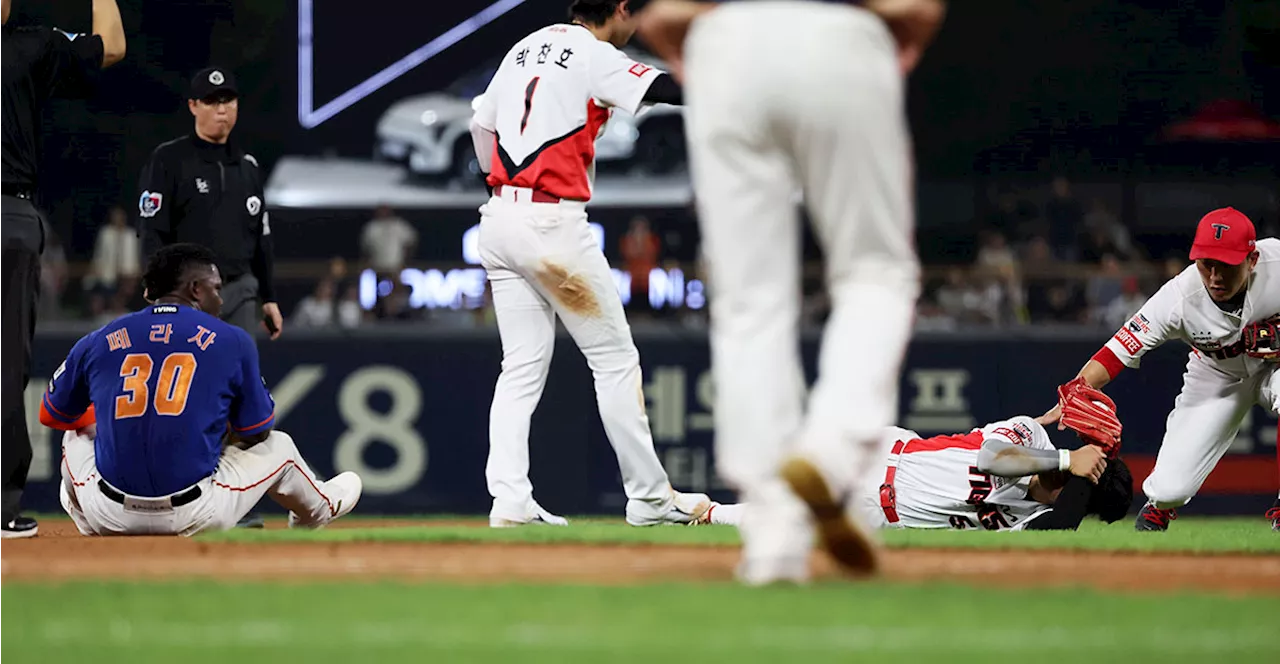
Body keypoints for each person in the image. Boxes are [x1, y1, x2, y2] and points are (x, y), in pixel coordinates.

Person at [636, 0, 946, 583]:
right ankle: (828, 458)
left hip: (725, 44)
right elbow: (916, 8)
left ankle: (773, 537)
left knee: (747, 299)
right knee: (874, 273)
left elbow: (661, 17)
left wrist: (701, 48)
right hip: (841, 36)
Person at [469, 0, 705, 528]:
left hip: (499, 218)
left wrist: (506, 183)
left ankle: (508, 499)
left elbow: (481, 127)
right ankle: (648, 498)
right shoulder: (591, 52)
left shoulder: (524, 46)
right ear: (619, 8)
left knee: (521, 368)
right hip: (552, 226)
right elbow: (664, 89)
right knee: (615, 362)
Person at [39, 244, 362, 536]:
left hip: (107, 513)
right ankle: (318, 510)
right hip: (195, 513)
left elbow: (51, 413)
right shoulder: (230, 340)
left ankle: (88, 526)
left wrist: (112, 414)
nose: (221, 300)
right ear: (195, 289)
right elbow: (258, 430)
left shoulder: (101, 337)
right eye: (216, 289)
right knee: (281, 446)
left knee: (76, 434)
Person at [1043, 207, 1280, 532]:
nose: (1214, 275)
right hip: (1216, 375)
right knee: (1171, 489)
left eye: (1225, 264)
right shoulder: (1179, 297)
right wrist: (1075, 390)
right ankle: (1159, 509)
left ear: (1251, 260)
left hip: (1274, 368)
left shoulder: (1276, 264)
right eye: (1205, 263)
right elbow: (1116, 351)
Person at [0, 0, 126, 539]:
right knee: (5, 364)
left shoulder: (31, 43)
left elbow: (109, 50)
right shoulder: (29, 44)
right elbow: (112, 45)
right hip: (9, 213)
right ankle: (1, 507)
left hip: (11, 213)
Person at [136, 66, 279, 528]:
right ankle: (170, 495)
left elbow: (263, 239)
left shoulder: (249, 167)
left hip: (237, 291)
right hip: (185, 297)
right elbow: (151, 229)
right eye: (213, 101)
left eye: (229, 100)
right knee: (188, 397)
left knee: (236, 397)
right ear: (194, 106)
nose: (222, 109)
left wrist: (271, 297)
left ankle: (232, 505)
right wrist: (157, 289)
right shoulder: (169, 159)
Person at [698, 414, 1133, 533]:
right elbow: (991, 460)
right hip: (881, 454)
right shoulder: (1032, 435)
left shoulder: (1033, 521)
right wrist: (1067, 460)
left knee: (776, 523)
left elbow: (1060, 527)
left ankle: (698, 512)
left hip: (879, 516)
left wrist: (1081, 478)